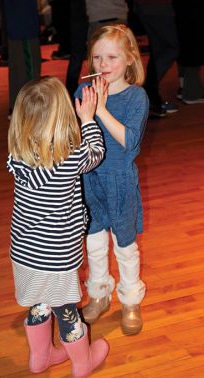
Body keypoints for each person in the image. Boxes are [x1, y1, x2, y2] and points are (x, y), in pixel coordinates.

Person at [7, 76, 109, 378]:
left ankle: (40, 358)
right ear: (63, 116)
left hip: (24, 253)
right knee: (66, 309)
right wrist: (88, 119)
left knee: (38, 303)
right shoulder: (70, 156)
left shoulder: (17, 157)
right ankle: (82, 363)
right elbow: (97, 152)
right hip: (57, 255)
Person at [75, 24, 149, 335]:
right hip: (89, 180)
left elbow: (130, 143)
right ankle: (99, 293)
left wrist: (101, 110)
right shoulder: (83, 91)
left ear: (131, 59)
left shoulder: (136, 97)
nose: (103, 65)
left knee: (125, 245)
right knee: (92, 242)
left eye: (112, 57)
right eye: (97, 58)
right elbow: (75, 136)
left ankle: (131, 299)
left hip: (120, 182)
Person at [133, 0, 179, 117]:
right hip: (157, 6)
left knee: (160, 50)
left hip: (151, 7)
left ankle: (149, 96)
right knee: (169, 49)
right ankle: (147, 94)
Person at [3, 0, 41, 118]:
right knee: (28, 70)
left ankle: (17, 108)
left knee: (18, 69)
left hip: (19, 24)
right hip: (24, 26)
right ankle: (28, 109)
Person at [173, 1, 204, 104]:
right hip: (192, 13)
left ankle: (184, 88)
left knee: (186, 48)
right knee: (193, 51)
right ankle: (192, 94)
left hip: (182, 12)